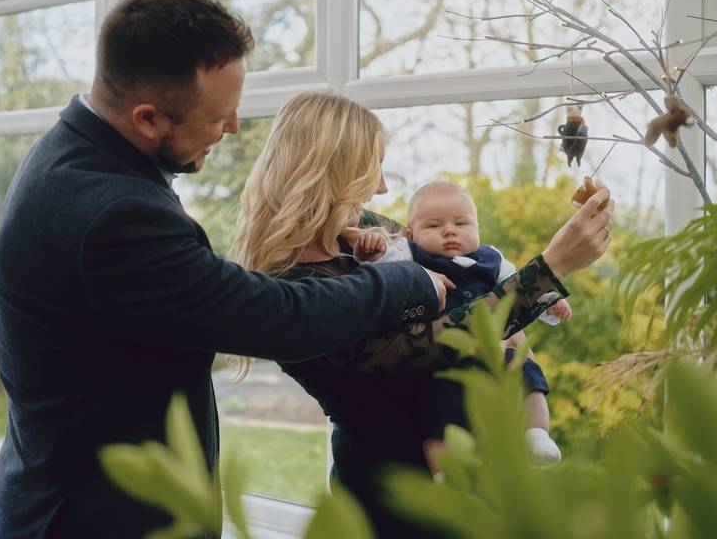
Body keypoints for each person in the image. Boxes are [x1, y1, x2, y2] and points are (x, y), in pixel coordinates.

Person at [0, 0, 455, 539]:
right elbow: (274, 316)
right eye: (219, 117)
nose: (233, 127)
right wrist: (404, 280)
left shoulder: (73, 159)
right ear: (147, 119)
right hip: (98, 519)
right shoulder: (113, 213)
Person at [230, 91, 613, 537]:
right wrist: (553, 266)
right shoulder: (293, 289)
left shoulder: (363, 233)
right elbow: (440, 340)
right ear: (331, 172)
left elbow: (466, 278)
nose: (383, 188)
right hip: (392, 501)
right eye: (372, 168)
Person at [353, 180, 572, 467]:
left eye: (461, 223)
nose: (449, 230)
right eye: (433, 226)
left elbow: (524, 288)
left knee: (526, 374)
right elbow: (381, 265)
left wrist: (550, 302)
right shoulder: (408, 253)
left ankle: (536, 434)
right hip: (442, 357)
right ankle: (443, 472)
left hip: (498, 349)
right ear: (411, 234)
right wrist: (370, 253)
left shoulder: (493, 260)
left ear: (478, 228)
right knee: (437, 410)